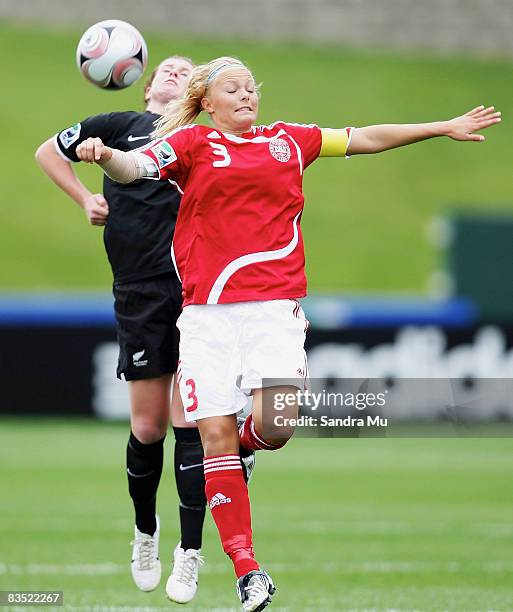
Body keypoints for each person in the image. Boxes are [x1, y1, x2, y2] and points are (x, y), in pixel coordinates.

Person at [73, 56, 501, 612]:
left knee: (275, 428)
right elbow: (134, 169)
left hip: (273, 310)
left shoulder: (288, 140)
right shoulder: (192, 145)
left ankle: (240, 453)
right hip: (204, 317)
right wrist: (106, 156)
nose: (248, 95)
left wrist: (440, 127)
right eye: (233, 88)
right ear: (207, 101)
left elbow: (365, 137)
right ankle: (248, 572)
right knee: (213, 439)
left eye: (252, 87)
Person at [35, 56, 207, 604]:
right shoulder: (116, 126)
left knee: (190, 424)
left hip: (199, 291)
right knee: (149, 427)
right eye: (169, 69)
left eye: (189, 71)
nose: (177, 73)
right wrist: (86, 195)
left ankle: (190, 553)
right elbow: (46, 152)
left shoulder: (203, 137)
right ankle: (145, 533)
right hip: (138, 290)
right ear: (146, 83)